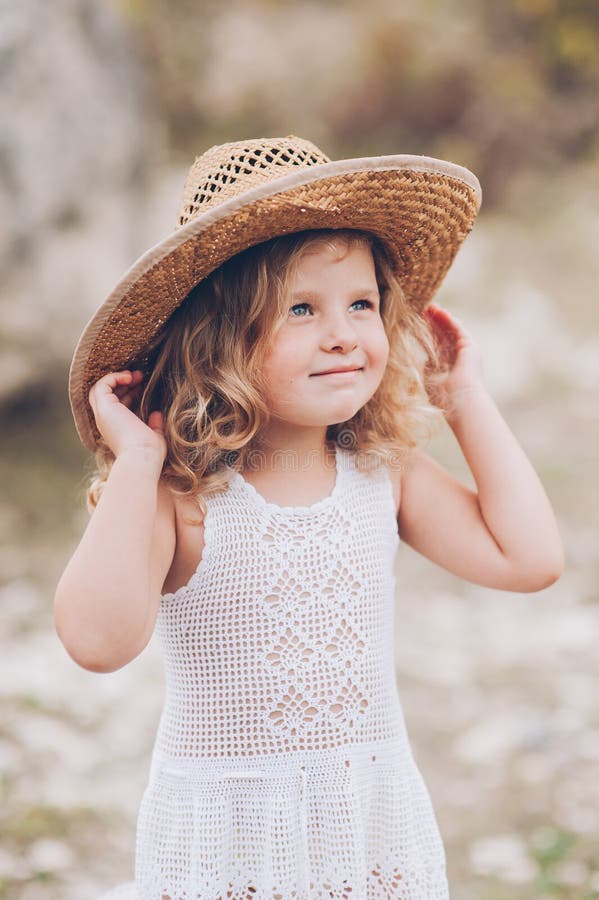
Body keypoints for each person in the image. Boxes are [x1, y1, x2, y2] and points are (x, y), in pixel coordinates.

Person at [54, 136, 564, 899]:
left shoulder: (377, 473)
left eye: (360, 304)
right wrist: (135, 464)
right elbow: (96, 644)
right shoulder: (182, 497)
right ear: (217, 340)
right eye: (300, 308)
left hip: (365, 824)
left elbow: (527, 559)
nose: (342, 334)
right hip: (231, 839)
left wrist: (463, 402)